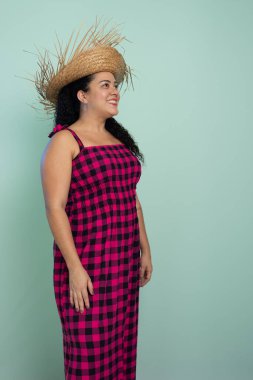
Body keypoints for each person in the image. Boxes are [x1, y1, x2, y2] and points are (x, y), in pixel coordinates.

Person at [32, 17, 153, 379]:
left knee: (121, 351)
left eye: (114, 84)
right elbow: (54, 208)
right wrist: (74, 268)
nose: (114, 90)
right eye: (105, 85)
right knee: (88, 358)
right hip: (88, 266)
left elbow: (131, 199)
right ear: (82, 95)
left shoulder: (120, 143)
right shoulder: (65, 142)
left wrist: (145, 249)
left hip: (124, 264)